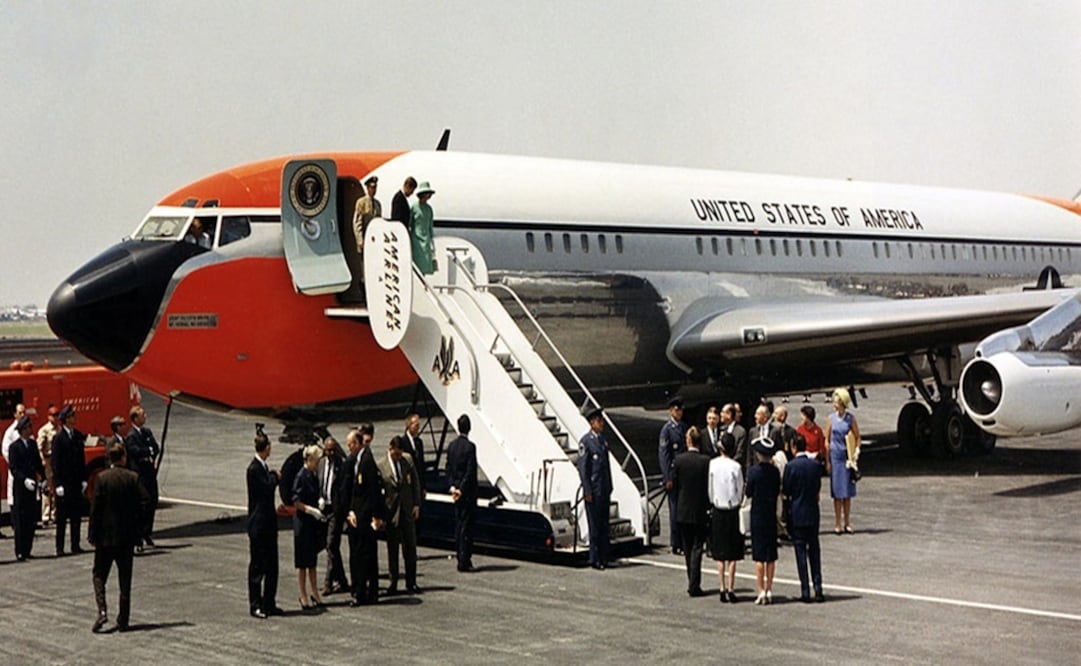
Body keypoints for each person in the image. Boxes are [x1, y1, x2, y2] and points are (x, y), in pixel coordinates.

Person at [89, 443, 150, 633]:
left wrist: (92, 534)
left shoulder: (102, 478)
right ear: (123, 457)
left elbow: (95, 509)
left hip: (105, 538)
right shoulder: (132, 477)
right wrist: (138, 526)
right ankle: (123, 620)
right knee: (125, 581)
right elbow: (146, 501)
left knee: (99, 575)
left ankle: (102, 610)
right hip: (126, 537)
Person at [337, 424, 386, 606]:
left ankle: (364, 592)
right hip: (355, 516)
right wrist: (349, 512)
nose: (348, 447)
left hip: (364, 518)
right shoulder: (355, 461)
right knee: (358, 555)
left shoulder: (366, 461)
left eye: (351, 444)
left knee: (365, 555)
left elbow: (373, 491)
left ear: (358, 444)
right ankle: (360, 590)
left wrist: (376, 516)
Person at [377, 436, 423, 594]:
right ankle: (393, 582)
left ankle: (412, 582)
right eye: (395, 454)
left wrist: (416, 504)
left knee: (410, 548)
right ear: (390, 449)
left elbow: (415, 483)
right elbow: (380, 493)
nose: (398, 458)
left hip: (407, 510)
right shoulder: (381, 466)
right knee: (392, 550)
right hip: (392, 513)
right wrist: (381, 515)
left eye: (400, 454)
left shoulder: (407, 461)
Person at [782, 433, 825, 603]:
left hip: (797, 513)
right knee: (814, 550)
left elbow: (786, 490)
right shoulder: (814, 466)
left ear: (794, 448)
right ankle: (818, 587)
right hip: (813, 512)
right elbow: (817, 487)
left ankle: (805, 590)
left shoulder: (791, 467)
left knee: (800, 552)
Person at [246, 428, 282, 619]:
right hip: (259, 525)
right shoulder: (254, 469)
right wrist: (275, 477)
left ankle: (269, 602)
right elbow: (266, 488)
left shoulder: (263, 467)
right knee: (258, 566)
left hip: (268, 524)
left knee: (272, 566)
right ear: (266, 448)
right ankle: (255, 604)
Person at [673, 426, 711, 597]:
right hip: (699, 509)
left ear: (688, 441)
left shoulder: (679, 460)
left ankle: (692, 580)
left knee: (688, 548)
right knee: (697, 548)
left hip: (683, 509)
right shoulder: (705, 461)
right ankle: (694, 584)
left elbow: (674, 485)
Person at [708, 432, 744, 603]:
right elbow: (740, 488)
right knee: (733, 553)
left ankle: (721, 586)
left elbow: (710, 488)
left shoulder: (712, 464)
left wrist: (712, 500)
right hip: (732, 508)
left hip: (718, 508)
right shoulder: (736, 467)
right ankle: (731, 587)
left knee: (720, 553)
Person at [746, 436, 780, 605]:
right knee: (770, 555)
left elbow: (748, 492)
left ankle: (760, 590)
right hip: (770, 514)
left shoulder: (753, 472)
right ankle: (769, 588)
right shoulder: (775, 472)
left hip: (758, 514)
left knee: (759, 556)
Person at [577, 408, 612, 570]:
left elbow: (606, 467)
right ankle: (595, 558)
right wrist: (587, 491)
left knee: (604, 525)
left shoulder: (603, 441)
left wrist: (610, 486)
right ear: (592, 423)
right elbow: (584, 470)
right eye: (599, 421)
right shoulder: (586, 442)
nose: (601, 424)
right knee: (595, 526)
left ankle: (604, 556)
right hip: (594, 491)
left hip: (604, 489)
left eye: (602, 421)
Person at [292, 444, 326, 610]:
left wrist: (319, 501)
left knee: (312, 562)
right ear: (310, 460)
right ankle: (303, 594)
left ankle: (314, 592)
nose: (318, 464)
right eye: (317, 460)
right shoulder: (301, 476)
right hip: (302, 523)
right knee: (302, 563)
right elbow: (296, 502)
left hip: (311, 524)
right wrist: (311, 510)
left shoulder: (312, 475)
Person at [52, 405, 88, 556]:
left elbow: (81, 460)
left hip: (75, 482)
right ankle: (60, 547)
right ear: (65, 420)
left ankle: (75, 544)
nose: (74, 419)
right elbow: (56, 462)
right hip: (64, 483)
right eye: (71, 417)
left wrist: (84, 479)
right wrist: (58, 483)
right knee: (61, 518)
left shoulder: (77, 436)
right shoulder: (58, 438)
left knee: (76, 516)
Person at [824, 388, 860, 535]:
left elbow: (857, 436)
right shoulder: (830, 419)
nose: (834, 403)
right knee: (837, 493)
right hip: (835, 456)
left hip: (846, 456)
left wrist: (856, 451)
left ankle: (847, 522)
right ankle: (837, 522)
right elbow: (827, 440)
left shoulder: (850, 419)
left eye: (837, 401)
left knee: (847, 492)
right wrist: (827, 460)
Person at [9, 415, 45, 561]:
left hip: (32, 487)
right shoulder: (14, 447)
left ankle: (28, 549)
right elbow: (14, 468)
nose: (31, 429)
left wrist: (42, 479)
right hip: (21, 488)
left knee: (31, 520)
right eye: (29, 427)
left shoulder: (32, 444)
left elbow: (37, 463)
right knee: (21, 521)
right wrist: (24, 480)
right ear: (23, 430)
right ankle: (20, 551)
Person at [318, 436, 349, 596]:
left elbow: (344, 491)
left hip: (336, 511)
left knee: (330, 544)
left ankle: (328, 583)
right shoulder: (321, 463)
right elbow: (320, 483)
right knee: (333, 547)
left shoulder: (341, 465)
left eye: (332, 450)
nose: (330, 453)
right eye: (327, 450)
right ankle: (342, 581)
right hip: (324, 509)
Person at [446, 414, 478, 572]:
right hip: (467, 494)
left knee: (458, 525)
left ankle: (459, 555)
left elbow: (448, 469)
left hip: (455, 492)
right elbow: (470, 471)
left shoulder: (451, 446)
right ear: (469, 428)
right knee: (467, 527)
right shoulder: (470, 447)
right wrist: (462, 489)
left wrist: (453, 487)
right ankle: (464, 560)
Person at [126, 406, 160, 548]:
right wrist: (148, 451)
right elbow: (135, 452)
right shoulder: (131, 436)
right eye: (141, 415)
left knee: (152, 501)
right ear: (135, 418)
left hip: (149, 472)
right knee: (141, 505)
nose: (145, 417)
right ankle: (138, 536)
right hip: (139, 474)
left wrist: (148, 452)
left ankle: (147, 532)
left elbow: (155, 448)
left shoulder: (147, 432)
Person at [658, 395, 687, 555]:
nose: (679, 412)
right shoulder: (667, 430)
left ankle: (683, 541)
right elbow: (664, 455)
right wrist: (667, 476)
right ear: (671, 411)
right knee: (674, 509)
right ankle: (676, 543)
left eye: (681, 410)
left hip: (683, 474)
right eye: (676, 410)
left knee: (683, 509)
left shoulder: (683, 427)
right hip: (673, 474)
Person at [3, 403, 27, 530]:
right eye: (20, 413)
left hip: (27, 472)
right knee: (15, 499)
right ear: (15, 414)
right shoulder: (10, 433)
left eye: (24, 412)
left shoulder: (28, 431)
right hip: (16, 471)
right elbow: (6, 451)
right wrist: (16, 464)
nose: (23, 415)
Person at [36, 405, 59, 526]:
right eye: (53, 415)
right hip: (48, 460)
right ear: (48, 416)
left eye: (57, 415)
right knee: (47, 489)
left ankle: (55, 514)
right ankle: (45, 515)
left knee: (55, 488)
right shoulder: (44, 430)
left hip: (57, 461)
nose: (56, 418)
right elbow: (39, 447)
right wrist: (42, 461)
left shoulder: (59, 429)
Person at [410, 181, 437, 275]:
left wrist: (432, 242)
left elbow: (430, 226)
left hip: (426, 242)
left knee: (426, 266)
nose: (428, 196)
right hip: (416, 241)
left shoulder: (429, 209)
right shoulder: (414, 207)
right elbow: (410, 224)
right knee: (417, 266)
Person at [352, 175, 382, 255]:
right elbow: (357, 223)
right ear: (368, 188)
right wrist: (360, 240)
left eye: (375, 187)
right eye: (372, 187)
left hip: (374, 240)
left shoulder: (377, 204)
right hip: (365, 238)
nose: (374, 190)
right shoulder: (361, 202)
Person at [721, 403, 748, 477]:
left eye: (723, 412)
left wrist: (728, 464)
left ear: (729, 414)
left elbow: (740, 452)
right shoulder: (721, 429)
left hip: (734, 470)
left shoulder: (741, 431)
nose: (721, 414)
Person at [402, 412, 427, 483]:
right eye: (416, 425)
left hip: (418, 479)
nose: (418, 428)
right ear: (409, 425)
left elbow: (421, 463)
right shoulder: (403, 441)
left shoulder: (419, 442)